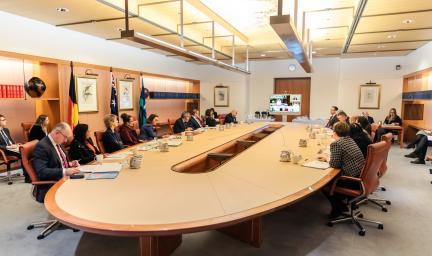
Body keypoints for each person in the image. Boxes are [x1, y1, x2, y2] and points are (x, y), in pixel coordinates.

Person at [319, 122, 365, 218]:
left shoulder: (337, 144)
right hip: (361, 177)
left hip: (351, 180)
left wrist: (327, 159)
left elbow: (334, 164)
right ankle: (342, 204)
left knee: (324, 183)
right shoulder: (350, 140)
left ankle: (338, 208)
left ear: (334, 132)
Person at [32, 122, 80, 202]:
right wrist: (65, 171)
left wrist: (70, 164)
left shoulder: (58, 142)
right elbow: (42, 172)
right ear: (57, 133)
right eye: (65, 137)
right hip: (53, 184)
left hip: (64, 179)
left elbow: (58, 161)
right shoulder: (42, 146)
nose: (65, 140)